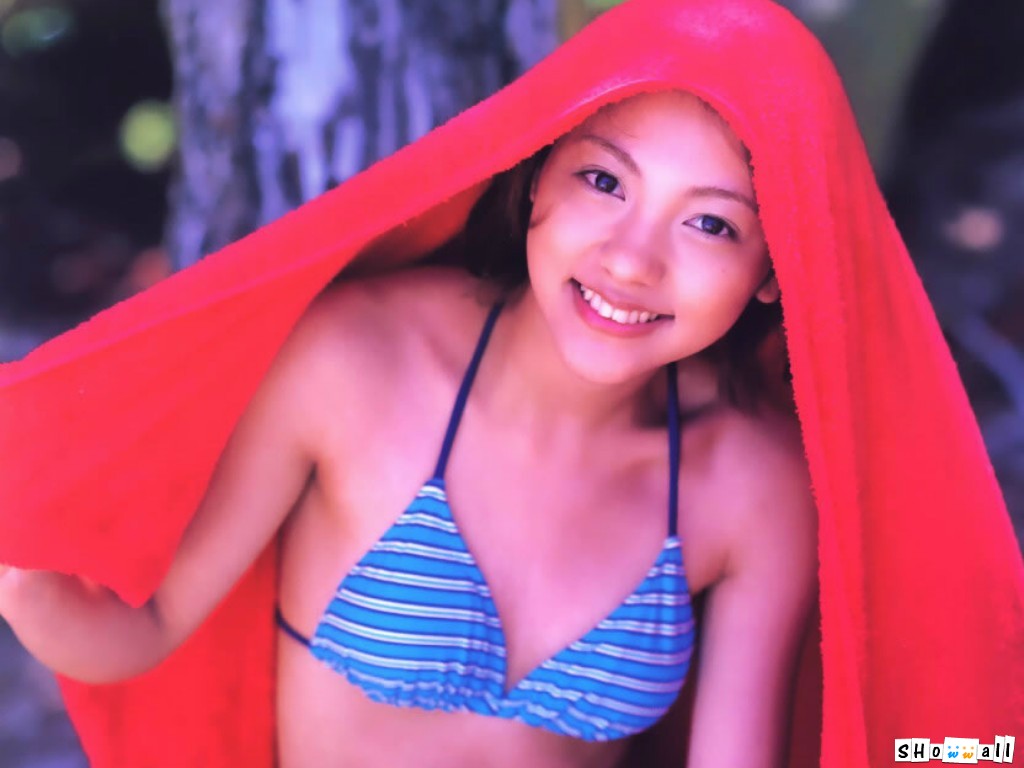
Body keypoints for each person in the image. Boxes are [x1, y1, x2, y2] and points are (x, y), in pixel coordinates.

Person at [0, 1, 1021, 767]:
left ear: (772, 272)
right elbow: (140, 636)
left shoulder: (748, 484)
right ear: (536, 177)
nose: (631, 259)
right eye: (604, 181)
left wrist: (960, 750)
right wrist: (23, 573)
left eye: (711, 223)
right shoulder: (356, 361)